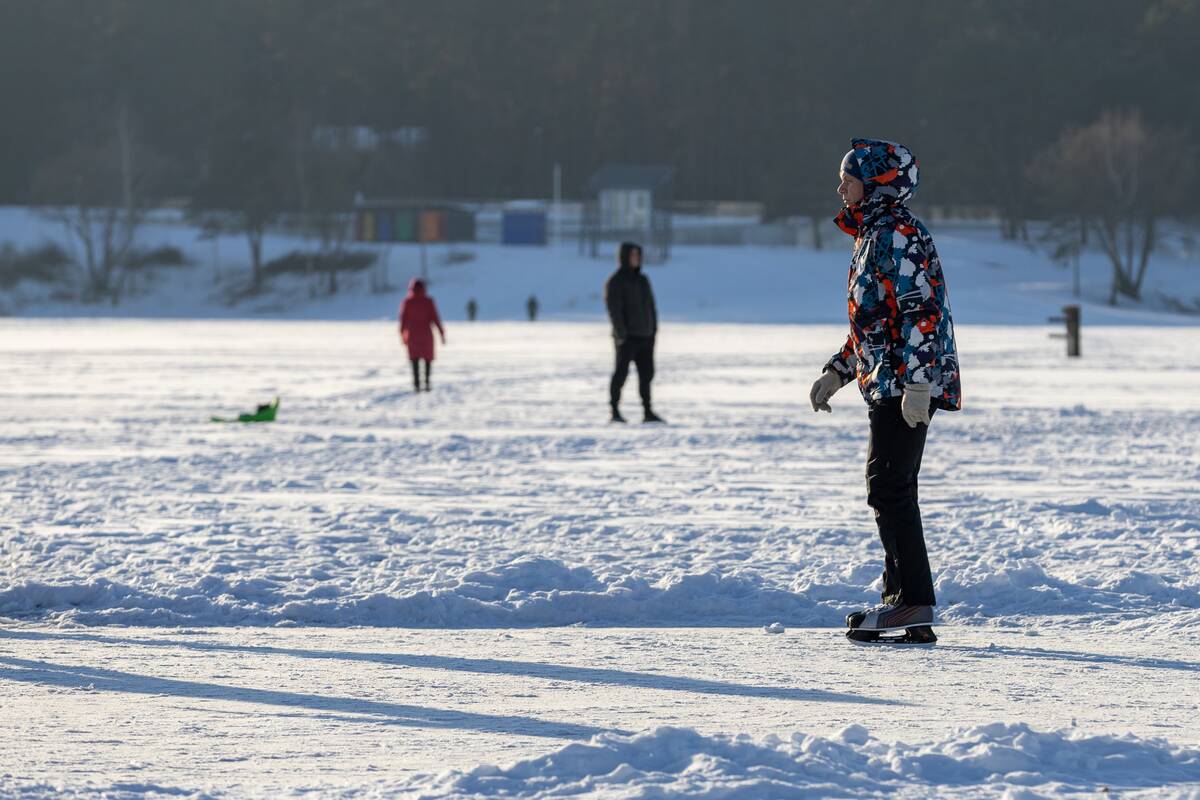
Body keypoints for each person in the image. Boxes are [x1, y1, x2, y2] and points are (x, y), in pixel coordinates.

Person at [809, 139, 961, 644]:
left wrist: (919, 383)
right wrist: (838, 371)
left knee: (889, 488)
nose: (840, 186)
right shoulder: (874, 233)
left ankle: (912, 602)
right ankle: (902, 600)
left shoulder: (897, 233)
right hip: (887, 380)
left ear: (875, 184)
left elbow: (921, 313)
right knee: (890, 487)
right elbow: (872, 323)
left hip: (905, 384)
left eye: (847, 178)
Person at [604, 241, 663, 424]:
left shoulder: (643, 280)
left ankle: (648, 411)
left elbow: (651, 307)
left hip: (646, 336)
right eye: (633, 255)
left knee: (647, 375)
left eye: (638, 255)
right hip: (627, 338)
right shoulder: (616, 282)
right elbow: (614, 310)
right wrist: (621, 334)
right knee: (621, 374)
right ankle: (614, 410)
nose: (636, 258)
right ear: (624, 257)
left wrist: (653, 330)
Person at [399, 278, 445, 392]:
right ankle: (427, 382)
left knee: (414, 360)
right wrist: (441, 333)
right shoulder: (428, 301)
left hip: (413, 335)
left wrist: (402, 334)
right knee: (427, 359)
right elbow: (435, 318)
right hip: (426, 335)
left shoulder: (407, 302)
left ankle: (416, 384)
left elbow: (403, 320)